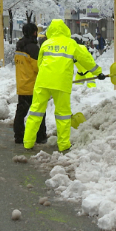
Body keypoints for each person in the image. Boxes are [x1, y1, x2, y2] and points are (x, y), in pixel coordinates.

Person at [23, 19, 103, 152]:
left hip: (43, 82)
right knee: (63, 114)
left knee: (36, 112)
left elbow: (40, 63)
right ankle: (64, 144)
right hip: (61, 83)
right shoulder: (71, 43)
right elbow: (86, 59)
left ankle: (28, 142)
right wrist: (98, 72)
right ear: (65, 29)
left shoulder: (46, 43)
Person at [13, 23, 47, 144]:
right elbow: (38, 67)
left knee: (20, 112)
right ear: (33, 32)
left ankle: (18, 136)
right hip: (32, 85)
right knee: (39, 112)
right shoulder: (33, 48)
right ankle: (40, 136)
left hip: (22, 84)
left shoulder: (19, 46)